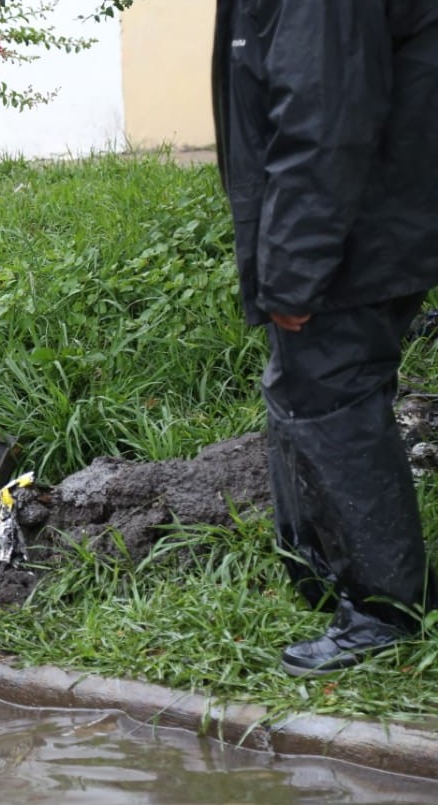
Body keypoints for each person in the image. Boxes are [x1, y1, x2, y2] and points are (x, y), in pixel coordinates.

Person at [212, 1, 438, 676]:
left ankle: (383, 610)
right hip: (363, 223)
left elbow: (323, 121)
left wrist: (291, 269)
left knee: (329, 396)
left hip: (351, 232)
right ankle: (330, 575)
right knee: (314, 385)